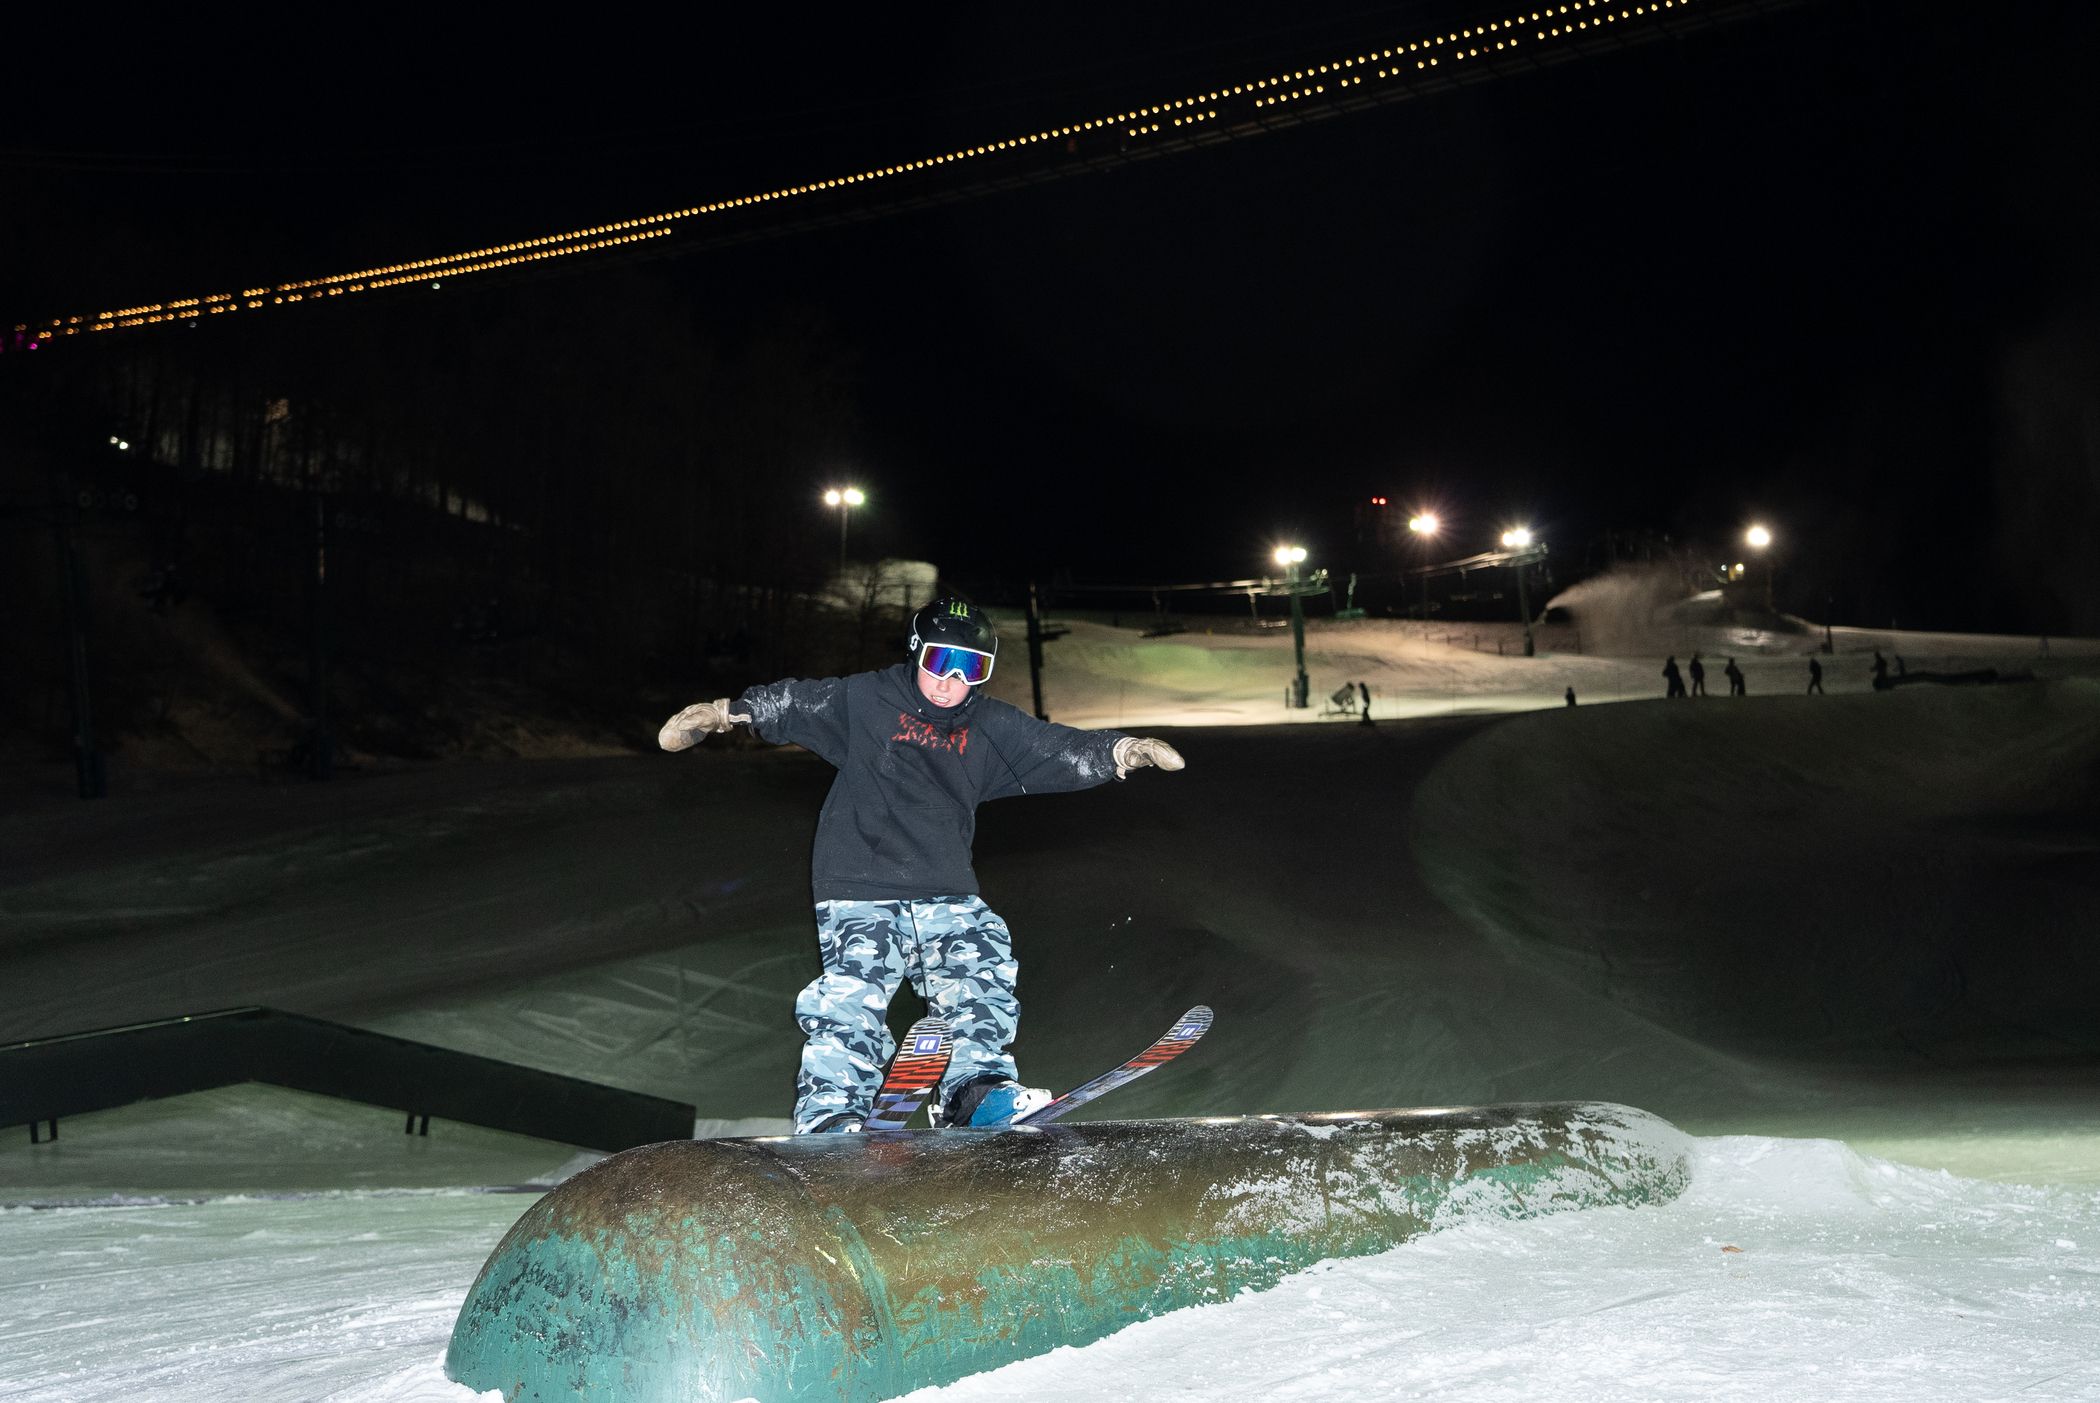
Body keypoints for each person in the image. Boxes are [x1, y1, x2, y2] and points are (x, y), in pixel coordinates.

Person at [657, 596, 1186, 1135]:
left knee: (981, 964)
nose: (951, 681)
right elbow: (797, 702)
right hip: (857, 880)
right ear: (916, 653)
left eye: (972, 668)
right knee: (852, 995)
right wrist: (724, 713)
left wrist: (1120, 750)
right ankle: (831, 1113)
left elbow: (1053, 746)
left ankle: (976, 1091)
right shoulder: (866, 699)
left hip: (944, 883)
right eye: (940, 662)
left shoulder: (989, 726)